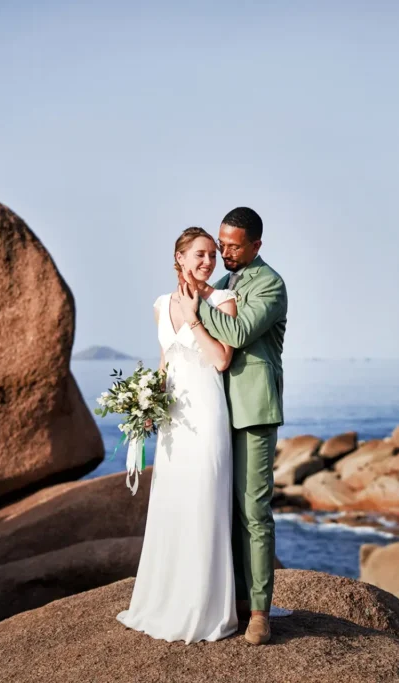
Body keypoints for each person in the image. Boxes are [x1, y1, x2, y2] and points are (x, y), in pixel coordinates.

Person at [115, 226, 240, 643]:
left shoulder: (223, 300)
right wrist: (147, 404)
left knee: (205, 499)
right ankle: (166, 600)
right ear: (180, 257)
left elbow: (221, 360)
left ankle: (204, 609)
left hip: (206, 414)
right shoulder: (158, 304)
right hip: (173, 419)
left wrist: (195, 318)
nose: (208, 262)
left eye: (212, 256)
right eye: (200, 255)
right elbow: (166, 358)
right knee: (173, 502)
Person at [183, 207, 287, 646]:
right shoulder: (223, 285)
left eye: (232, 245)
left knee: (253, 511)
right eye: (220, 244)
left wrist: (196, 309)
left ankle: (259, 611)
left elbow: (240, 331)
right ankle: (232, 601)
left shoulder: (271, 284)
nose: (223, 252)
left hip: (253, 410)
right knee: (220, 508)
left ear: (256, 246)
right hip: (215, 412)